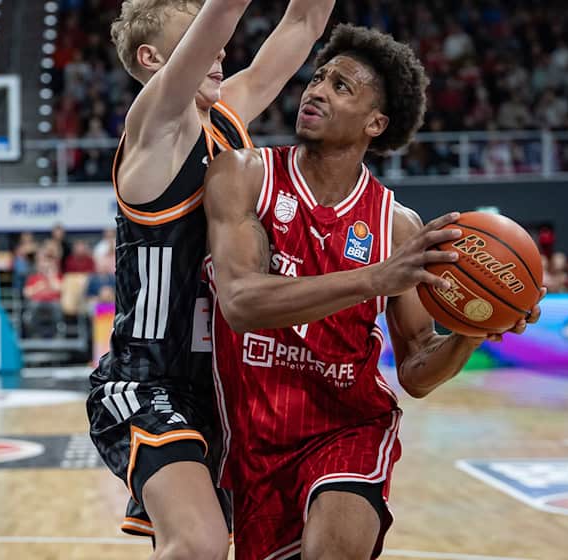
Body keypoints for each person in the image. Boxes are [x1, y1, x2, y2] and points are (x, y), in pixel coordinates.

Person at [204, 26, 544, 560]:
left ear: (375, 123)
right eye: (317, 77)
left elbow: (415, 373)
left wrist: (473, 332)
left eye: (341, 87)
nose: (315, 90)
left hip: (348, 425)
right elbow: (241, 303)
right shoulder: (244, 173)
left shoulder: (397, 227)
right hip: (251, 438)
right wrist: (375, 279)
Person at [85, 1, 335, 557]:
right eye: (200, 40)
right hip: (149, 381)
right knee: (198, 544)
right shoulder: (155, 128)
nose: (221, 52)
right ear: (153, 59)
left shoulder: (228, 117)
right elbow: (223, 12)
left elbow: (303, 24)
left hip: (227, 386)